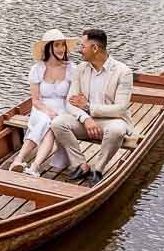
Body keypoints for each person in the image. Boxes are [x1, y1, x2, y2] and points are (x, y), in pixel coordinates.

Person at [51, 28, 133, 186]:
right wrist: (86, 118)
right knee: (58, 123)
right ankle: (81, 165)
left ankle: (98, 169)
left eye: (83, 46)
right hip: (86, 120)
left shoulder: (123, 72)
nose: (80, 50)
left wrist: (88, 106)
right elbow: (71, 101)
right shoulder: (81, 69)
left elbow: (121, 108)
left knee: (116, 130)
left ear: (95, 48)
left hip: (113, 120)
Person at [9, 29, 78, 176]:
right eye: (57, 45)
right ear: (48, 48)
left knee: (51, 125)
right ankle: (32, 166)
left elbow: (72, 98)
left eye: (63, 45)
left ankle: (21, 160)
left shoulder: (72, 69)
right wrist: (48, 111)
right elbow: (35, 101)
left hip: (64, 108)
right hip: (41, 108)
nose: (61, 49)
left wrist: (59, 114)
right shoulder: (37, 69)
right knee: (46, 120)